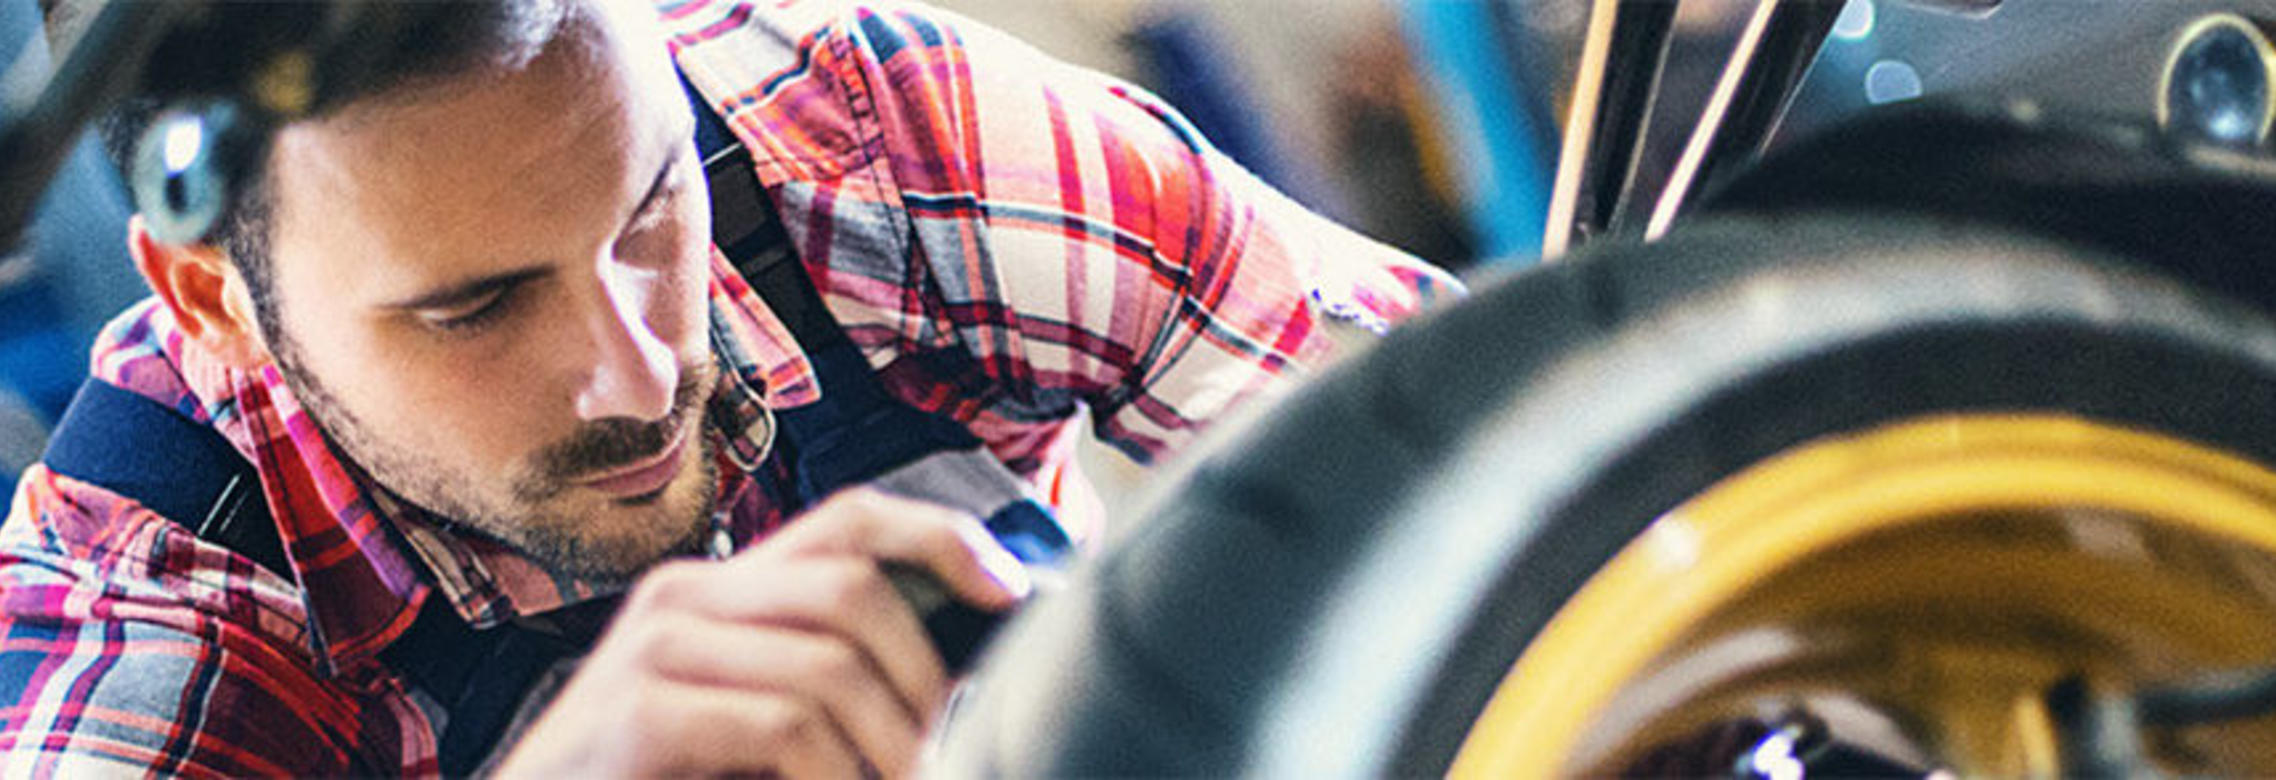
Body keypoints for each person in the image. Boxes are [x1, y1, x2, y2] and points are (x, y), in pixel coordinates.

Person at [0, 0, 1457, 774]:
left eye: (648, 208)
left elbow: (1489, 445)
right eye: (479, 307)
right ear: (210, 297)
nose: (641, 369)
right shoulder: (155, 603)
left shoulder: (880, 144)